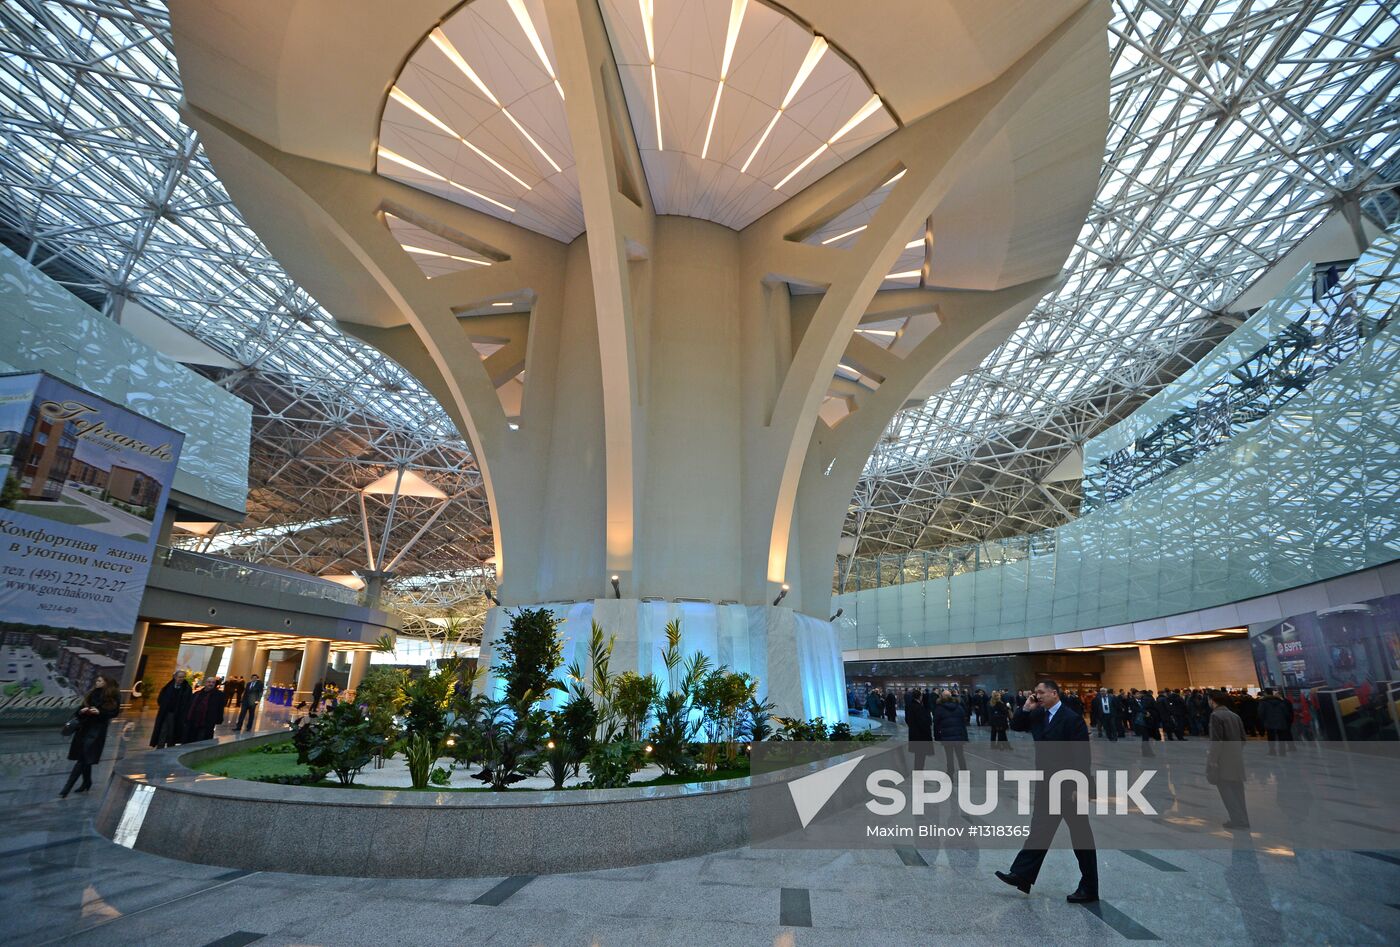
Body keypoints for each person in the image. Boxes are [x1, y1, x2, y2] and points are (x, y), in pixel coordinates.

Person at [996, 678, 1098, 904]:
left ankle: (1090, 886)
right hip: (1046, 785)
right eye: (1035, 693)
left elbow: (1082, 756)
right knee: (1040, 830)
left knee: (1081, 837)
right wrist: (1025, 707)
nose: (1037, 696)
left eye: (1041, 692)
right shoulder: (1038, 715)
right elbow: (1016, 726)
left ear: (1054, 693)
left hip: (1069, 786)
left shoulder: (1072, 720)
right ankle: (1022, 874)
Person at [60, 675, 120, 797]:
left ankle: (66, 789)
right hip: (84, 728)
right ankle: (87, 782)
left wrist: (100, 712)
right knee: (85, 757)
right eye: (96, 680)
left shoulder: (113, 696)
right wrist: (82, 711)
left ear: (106, 682)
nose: (96, 682)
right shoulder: (92, 693)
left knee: (82, 758)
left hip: (97, 730)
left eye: (99, 680)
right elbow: (79, 710)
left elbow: (114, 712)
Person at [1207, 690, 1249, 829]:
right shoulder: (1234, 715)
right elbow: (1243, 739)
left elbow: (1216, 741)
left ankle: (1236, 819)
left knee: (1226, 791)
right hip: (1236, 758)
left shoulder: (1215, 716)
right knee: (1238, 791)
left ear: (1213, 701)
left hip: (1223, 760)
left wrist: (1213, 760)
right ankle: (1244, 819)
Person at [150, 669, 193, 749]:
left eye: (183, 677)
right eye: (180, 677)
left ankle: (171, 747)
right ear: (175, 677)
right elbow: (160, 699)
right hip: (166, 713)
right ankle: (160, 746)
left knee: (172, 731)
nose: (181, 679)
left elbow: (188, 702)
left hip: (178, 715)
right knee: (163, 730)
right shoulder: (168, 687)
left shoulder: (187, 689)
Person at [933, 689, 969, 775]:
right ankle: (964, 772)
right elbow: (963, 722)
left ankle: (950, 773)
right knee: (960, 755)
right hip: (959, 735)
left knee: (949, 756)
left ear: (942, 697)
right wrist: (965, 736)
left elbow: (936, 723)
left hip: (946, 736)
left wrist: (937, 736)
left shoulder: (939, 708)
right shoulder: (959, 706)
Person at [186, 675, 225, 742]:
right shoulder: (197, 693)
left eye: (213, 682)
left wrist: (219, 719)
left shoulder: (219, 695)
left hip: (208, 721)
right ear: (206, 683)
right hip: (194, 720)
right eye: (209, 682)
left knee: (203, 739)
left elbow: (220, 708)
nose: (211, 684)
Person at [1257, 688, 1294, 755]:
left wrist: (1263, 721)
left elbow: (1260, 713)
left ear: (1265, 693)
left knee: (1271, 737)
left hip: (1269, 722)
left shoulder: (1263, 702)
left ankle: (1272, 751)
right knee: (1281, 737)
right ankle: (1282, 752)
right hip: (1281, 722)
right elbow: (1286, 712)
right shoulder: (1281, 701)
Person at [906, 690, 934, 771]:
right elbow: (924, 722)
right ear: (920, 697)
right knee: (921, 756)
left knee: (918, 756)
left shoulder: (909, 706)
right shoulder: (919, 707)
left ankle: (917, 771)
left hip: (914, 734)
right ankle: (918, 772)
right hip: (921, 736)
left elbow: (907, 719)